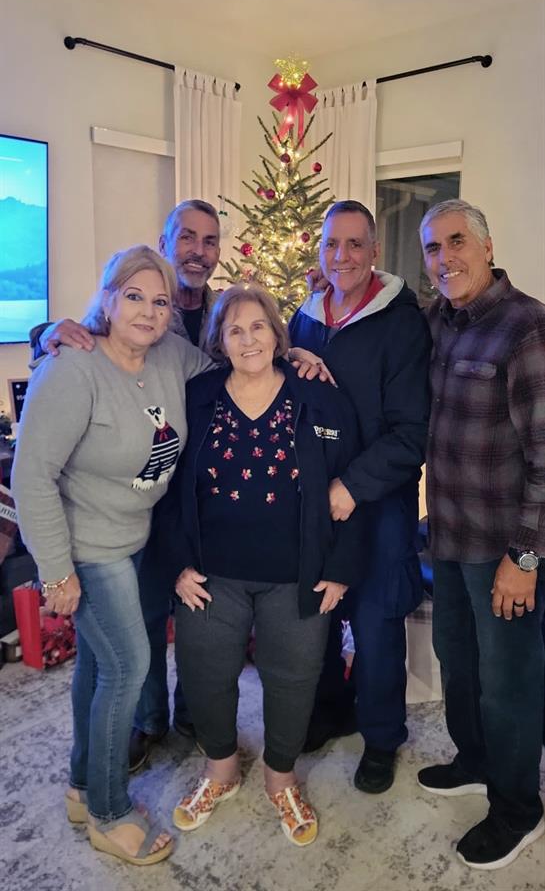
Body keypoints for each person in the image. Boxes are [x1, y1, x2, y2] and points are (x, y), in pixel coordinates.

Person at [12, 245, 212, 865]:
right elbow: (30, 475)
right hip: (87, 547)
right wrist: (55, 573)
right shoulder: (73, 368)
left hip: (136, 542)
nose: (148, 312)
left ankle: (81, 787)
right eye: (134, 297)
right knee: (129, 665)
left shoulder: (170, 355)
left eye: (158, 301)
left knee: (98, 670)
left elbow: (238, 358)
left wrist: (298, 355)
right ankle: (107, 811)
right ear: (106, 299)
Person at [160, 284, 363, 846]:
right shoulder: (196, 395)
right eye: (235, 329)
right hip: (210, 573)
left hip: (297, 573)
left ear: (278, 334)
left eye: (258, 326)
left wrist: (341, 566)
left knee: (293, 679)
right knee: (204, 674)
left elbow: (349, 485)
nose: (248, 339)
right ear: (220, 342)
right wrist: (177, 563)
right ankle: (220, 769)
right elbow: (169, 487)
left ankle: (281, 777)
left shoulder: (319, 396)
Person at [30, 200, 223, 771]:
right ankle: (138, 731)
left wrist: (293, 353)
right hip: (115, 509)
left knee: (182, 619)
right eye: (187, 237)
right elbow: (82, 342)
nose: (198, 249)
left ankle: (181, 722)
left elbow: (246, 355)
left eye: (209, 241)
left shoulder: (218, 312)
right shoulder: (128, 305)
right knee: (127, 646)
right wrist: (47, 331)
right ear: (166, 242)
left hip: (179, 492)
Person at [417, 199, 545, 870]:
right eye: (432, 248)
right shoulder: (437, 319)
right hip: (446, 539)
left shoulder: (525, 328)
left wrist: (523, 558)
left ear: (487, 246)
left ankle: (518, 807)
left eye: (456, 241)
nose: (445, 259)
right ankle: (474, 759)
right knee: (459, 667)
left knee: (509, 682)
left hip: (504, 551)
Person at [289, 200, 431, 794]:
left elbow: (411, 431)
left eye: (354, 244)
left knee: (375, 623)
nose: (341, 256)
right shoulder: (306, 316)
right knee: (319, 614)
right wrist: (290, 355)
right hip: (316, 500)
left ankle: (380, 737)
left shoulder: (400, 323)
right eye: (331, 245)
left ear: (375, 251)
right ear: (320, 251)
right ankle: (329, 709)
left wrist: (352, 485)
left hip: (376, 502)